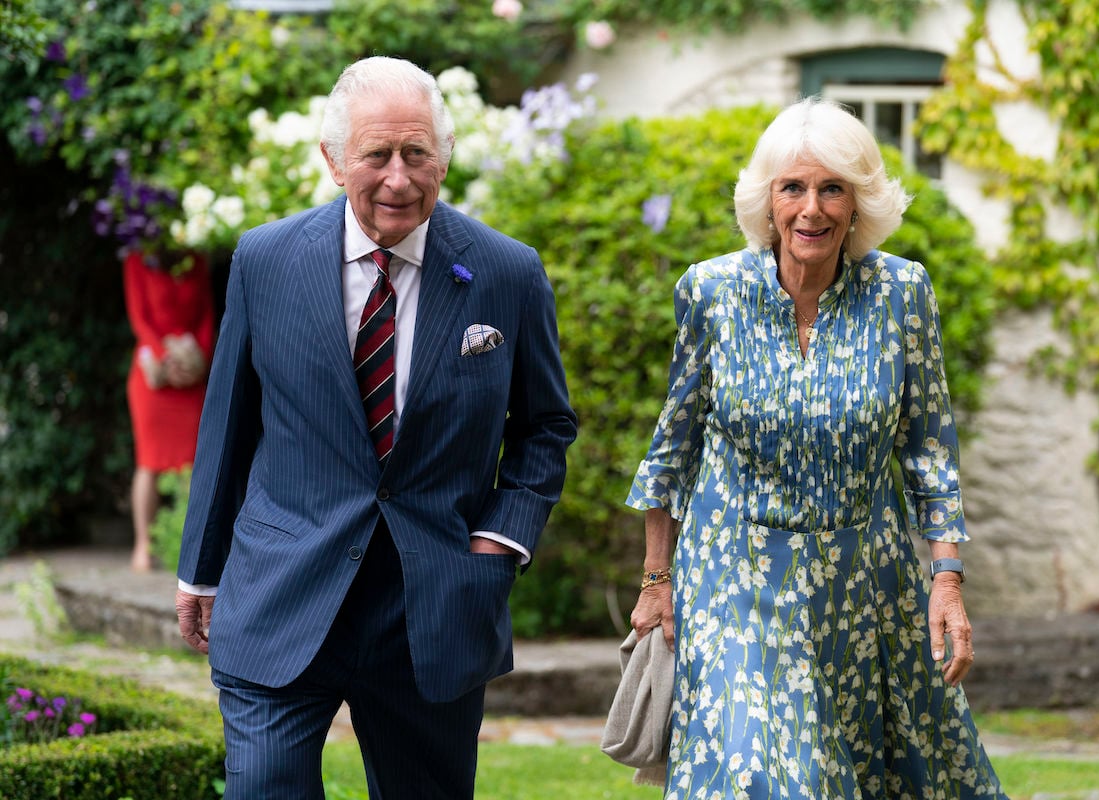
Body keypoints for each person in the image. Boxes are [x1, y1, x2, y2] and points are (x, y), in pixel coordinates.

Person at [174, 56, 576, 799]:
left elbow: (546, 427)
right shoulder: (263, 261)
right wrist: (201, 567)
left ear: (444, 158)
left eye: (417, 153)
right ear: (332, 161)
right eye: (377, 155)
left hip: (433, 604)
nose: (399, 177)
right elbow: (228, 424)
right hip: (283, 589)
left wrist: (499, 540)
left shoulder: (506, 274)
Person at [626, 97, 1008, 798]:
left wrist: (946, 580)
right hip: (733, 572)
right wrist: (657, 580)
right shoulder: (711, 292)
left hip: (863, 582)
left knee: (880, 773)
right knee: (766, 770)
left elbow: (929, 448)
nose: (812, 209)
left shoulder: (902, 293)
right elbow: (673, 447)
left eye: (833, 188)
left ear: (859, 203)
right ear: (767, 202)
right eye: (793, 188)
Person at [123, 249, 213, 572]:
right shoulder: (137, 259)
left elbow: (206, 315)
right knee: (149, 461)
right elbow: (139, 319)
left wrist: (200, 360)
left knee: (194, 462)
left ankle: (191, 548)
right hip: (153, 377)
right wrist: (164, 358)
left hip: (191, 373)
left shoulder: (195, 259)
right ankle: (143, 546)